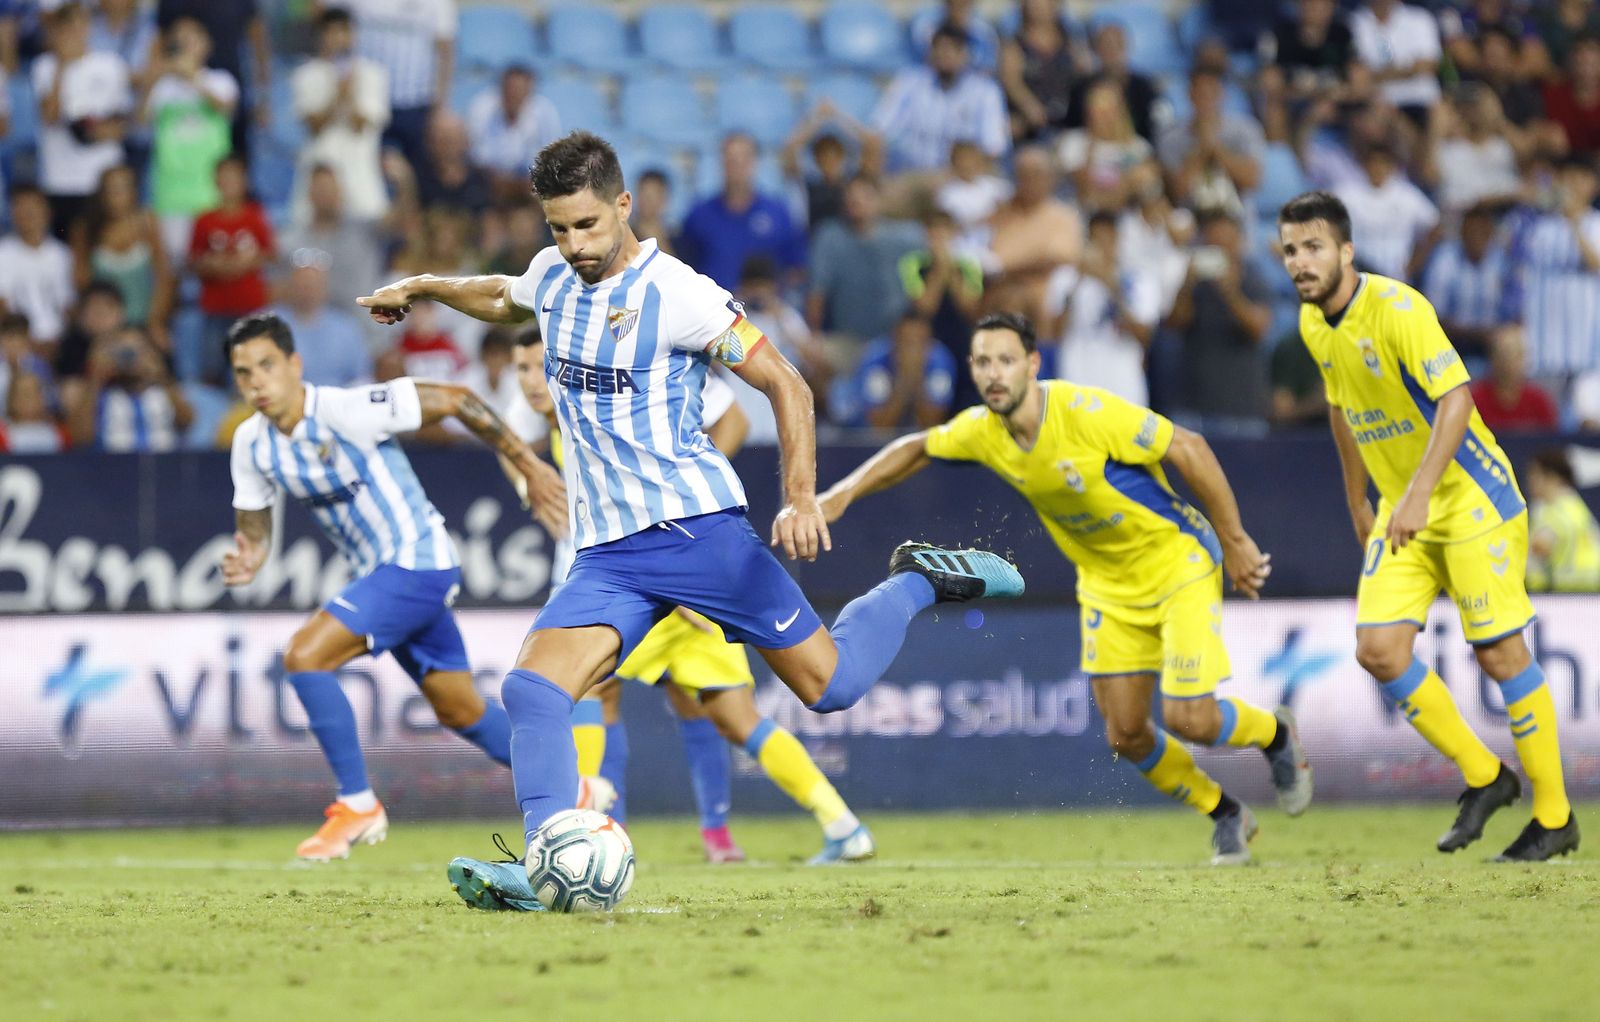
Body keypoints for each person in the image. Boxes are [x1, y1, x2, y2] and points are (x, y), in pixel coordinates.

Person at [353, 131, 1022, 910]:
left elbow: (786, 384)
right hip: (607, 556)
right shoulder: (553, 276)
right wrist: (426, 285)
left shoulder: (680, 294)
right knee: (534, 691)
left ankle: (917, 582)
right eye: (559, 229)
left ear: (624, 207)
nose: (574, 245)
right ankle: (546, 865)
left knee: (829, 688)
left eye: (588, 227)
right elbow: (503, 294)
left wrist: (802, 495)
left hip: (697, 533)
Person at [817, 312, 1310, 865]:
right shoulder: (983, 430)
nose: (994, 374)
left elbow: (1190, 448)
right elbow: (917, 447)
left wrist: (1236, 538)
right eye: (982, 362)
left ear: (1033, 364)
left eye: (1006, 360)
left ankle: (1275, 737)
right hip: (1105, 585)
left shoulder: (1085, 412)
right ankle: (1226, 814)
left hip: (1177, 562)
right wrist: (840, 495)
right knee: (1126, 735)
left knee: (1189, 719)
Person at [502, 330, 876, 871]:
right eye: (521, 370)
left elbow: (738, 418)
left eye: (538, 367)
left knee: (730, 714)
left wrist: (679, 500)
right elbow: (500, 435)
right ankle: (600, 822)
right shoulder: (554, 405)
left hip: (683, 564)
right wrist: (526, 474)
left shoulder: (634, 369)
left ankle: (596, 812)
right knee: (593, 692)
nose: (531, 382)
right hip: (623, 575)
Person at [1277, 190, 1578, 861]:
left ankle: (1555, 817)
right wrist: (1360, 499)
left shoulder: (1398, 309)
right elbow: (1341, 409)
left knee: (1499, 653)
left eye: (1314, 246)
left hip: (1470, 499)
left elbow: (1457, 401)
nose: (1301, 261)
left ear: (1346, 250)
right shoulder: (1311, 325)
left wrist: (1413, 496)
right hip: (1399, 505)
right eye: (1292, 249)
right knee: (1379, 649)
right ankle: (1485, 776)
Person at [220, 311, 559, 860]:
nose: (256, 381)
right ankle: (579, 789)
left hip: (417, 561)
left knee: (306, 657)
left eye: (266, 365)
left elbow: (454, 398)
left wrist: (527, 461)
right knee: (460, 711)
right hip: (388, 575)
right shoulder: (251, 443)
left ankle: (357, 804)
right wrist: (249, 557)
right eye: (243, 372)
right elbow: (254, 529)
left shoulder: (345, 409)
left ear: (294, 364)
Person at [32, 2, 131, 238]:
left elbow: (124, 122)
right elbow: (49, 116)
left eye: (81, 26)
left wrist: (97, 131)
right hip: (60, 178)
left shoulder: (110, 64)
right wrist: (62, 66)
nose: (75, 34)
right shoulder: (45, 66)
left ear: (89, 28)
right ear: (57, 31)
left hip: (102, 176)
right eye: (68, 28)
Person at [142, 17, 237, 261]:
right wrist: (153, 73)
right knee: (175, 266)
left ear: (206, 45)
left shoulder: (221, 80)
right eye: (178, 42)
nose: (184, 47)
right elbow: (139, 121)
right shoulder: (161, 88)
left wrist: (191, 77)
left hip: (212, 194)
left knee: (214, 262)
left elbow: (224, 107)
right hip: (171, 195)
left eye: (190, 40)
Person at [291, 6, 390, 226]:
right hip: (318, 171)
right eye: (331, 32)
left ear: (353, 35)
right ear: (321, 36)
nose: (338, 39)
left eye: (343, 32)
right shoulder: (305, 75)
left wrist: (350, 94)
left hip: (360, 172)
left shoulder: (372, 74)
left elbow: (361, 125)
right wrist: (336, 94)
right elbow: (314, 127)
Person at [872, 21, 1009, 175]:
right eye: (940, 48)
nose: (945, 55)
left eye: (952, 49)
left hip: (962, 177)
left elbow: (993, 148)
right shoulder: (910, 82)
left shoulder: (985, 91)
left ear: (965, 54)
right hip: (914, 175)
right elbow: (880, 129)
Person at [676, 132, 805, 292]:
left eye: (743, 159)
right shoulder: (699, 215)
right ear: (721, 163)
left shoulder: (778, 213)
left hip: (763, 313)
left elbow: (794, 269)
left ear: (754, 163)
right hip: (713, 312)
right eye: (730, 160)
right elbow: (683, 269)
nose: (736, 166)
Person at [188, 154, 274, 385]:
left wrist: (243, 264)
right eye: (224, 178)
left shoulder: (255, 216)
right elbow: (193, 260)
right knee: (213, 364)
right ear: (215, 181)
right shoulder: (204, 220)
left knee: (251, 366)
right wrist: (214, 266)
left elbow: (269, 253)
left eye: (234, 178)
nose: (229, 184)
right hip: (215, 307)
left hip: (249, 306)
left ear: (244, 182)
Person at [836, 313, 956, 429]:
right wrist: (904, 381)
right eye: (908, 343)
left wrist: (917, 379)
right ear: (894, 342)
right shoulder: (875, 360)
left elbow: (932, 423)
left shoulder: (941, 361)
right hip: (861, 433)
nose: (914, 351)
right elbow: (879, 427)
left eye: (921, 343)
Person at [466, 64, 560, 204]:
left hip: (526, 185)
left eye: (520, 90)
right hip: (487, 182)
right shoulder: (481, 109)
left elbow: (549, 161)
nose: (514, 94)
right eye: (510, 89)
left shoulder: (545, 113)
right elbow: (474, 157)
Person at [0, 184, 76, 347]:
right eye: (20, 208)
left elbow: (68, 305)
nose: (27, 214)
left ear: (47, 211)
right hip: (18, 343)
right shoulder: (3, 253)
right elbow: (3, 306)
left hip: (59, 341)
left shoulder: (62, 254)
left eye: (32, 208)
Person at [1524, 449, 1600, 593]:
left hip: (1567, 594)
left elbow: (1540, 548)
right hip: (1589, 590)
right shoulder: (1576, 505)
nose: (1530, 480)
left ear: (1552, 477)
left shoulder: (1552, 513)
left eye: (1535, 474)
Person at [1469, 325, 1558, 434]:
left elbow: (1552, 443)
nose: (1509, 363)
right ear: (1493, 359)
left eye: (1516, 356)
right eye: (1504, 355)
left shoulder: (1539, 401)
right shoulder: (1475, 400)